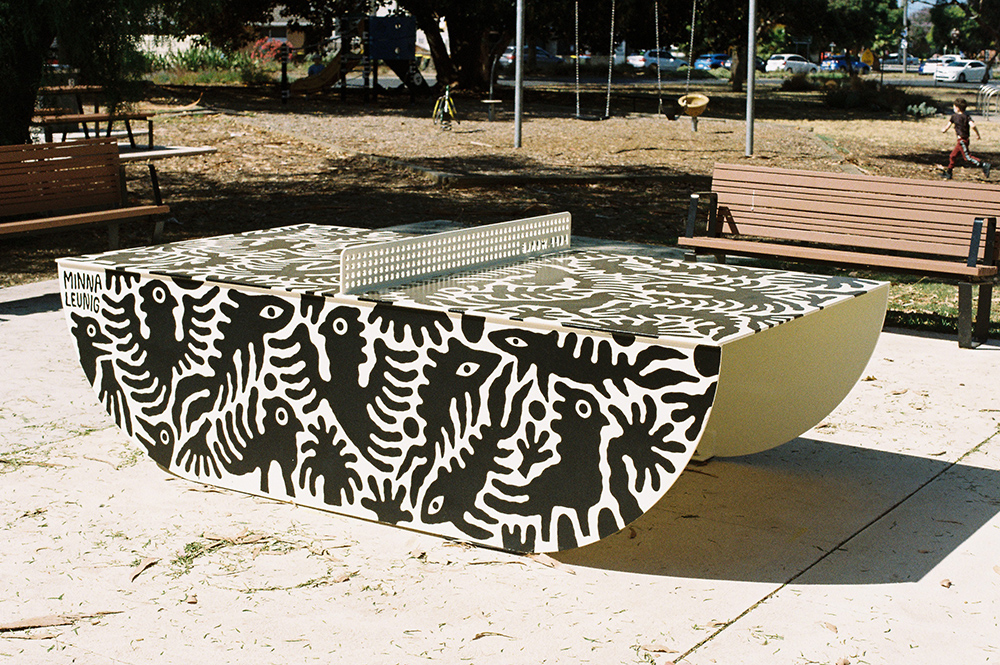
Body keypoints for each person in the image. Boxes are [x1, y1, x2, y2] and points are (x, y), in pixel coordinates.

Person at [941, 97, 991, 179]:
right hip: (963, 140)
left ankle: (983, 164)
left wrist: (944, 130)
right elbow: (973, 125)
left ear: (957, 107)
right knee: (953, 156)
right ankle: (949, 172)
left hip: (962, 141)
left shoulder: (954, 116)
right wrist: (977, 134)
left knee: (967, 157)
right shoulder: (967, 116)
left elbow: (947, 126)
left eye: (954, 107)